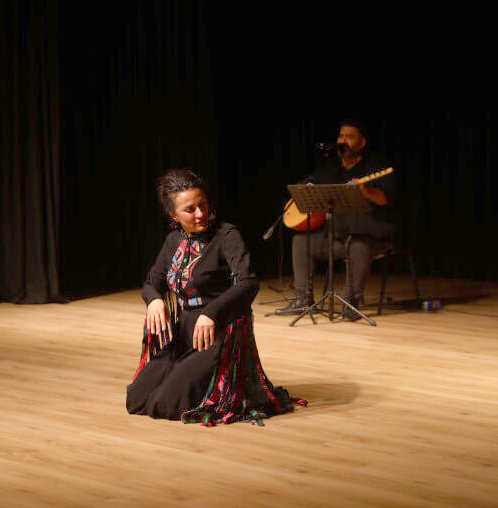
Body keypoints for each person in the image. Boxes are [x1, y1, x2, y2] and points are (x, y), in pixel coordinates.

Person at [126, 168, 304, 425]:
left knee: (162, 405)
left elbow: (248, 282)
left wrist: (212, 313)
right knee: (137, 399)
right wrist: (154, 300)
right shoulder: (173, 240)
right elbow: (152, 282)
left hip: (218, 331)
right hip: (185, 331)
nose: (200, 214)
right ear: (173, 215)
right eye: (190, 210)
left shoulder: (226, 235)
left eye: (203, 205)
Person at [280, 119, 394, 320]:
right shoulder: (330, 168)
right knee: (301, 241)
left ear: (362, 142)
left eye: (349, 137)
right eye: (341, 136)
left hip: (371, 238)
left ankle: (351, 302)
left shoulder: (376, 165)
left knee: (358, 245)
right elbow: (309, 188)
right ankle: (302, 298)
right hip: (337, 236)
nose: (343, 141)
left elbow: (386, 199)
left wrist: (365, 190)